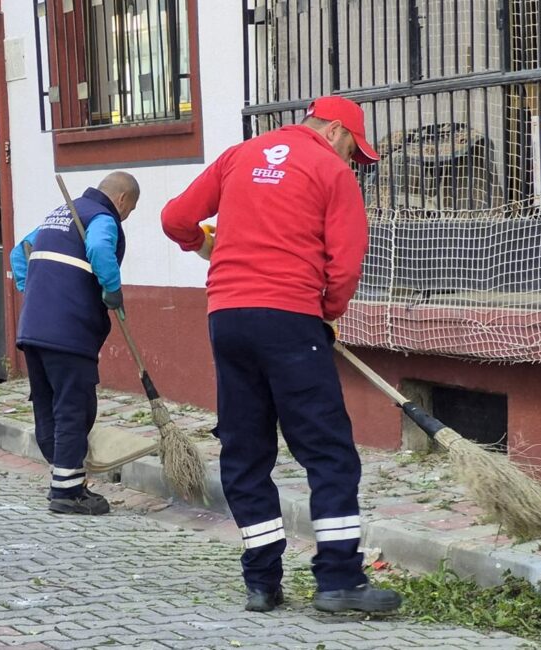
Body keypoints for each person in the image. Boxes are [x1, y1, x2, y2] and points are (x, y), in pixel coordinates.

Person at [160, 96, 402, 614]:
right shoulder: (330, 171)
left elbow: (175, 218)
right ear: (335, 131)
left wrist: (201, 244)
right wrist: (326, 313)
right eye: (353, 150)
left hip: (227, 318)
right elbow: (345, 262)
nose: (351, 161)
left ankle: (261, 582)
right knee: (327, 451)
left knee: (246, 451)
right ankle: (339, 581)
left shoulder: (239, 155)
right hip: (291, 317)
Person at [10, 172, 140, 515]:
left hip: (34, 328)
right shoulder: (102, 218)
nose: (126, 216)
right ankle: (67, 493)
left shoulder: (60, 214)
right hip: (69, 331)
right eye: (129, 210)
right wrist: (112, 288)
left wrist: (35, 292)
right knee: (74, 407)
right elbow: (98, 248)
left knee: (47, 405)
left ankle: (65, 477)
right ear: (122, 199)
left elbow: (18, 253)